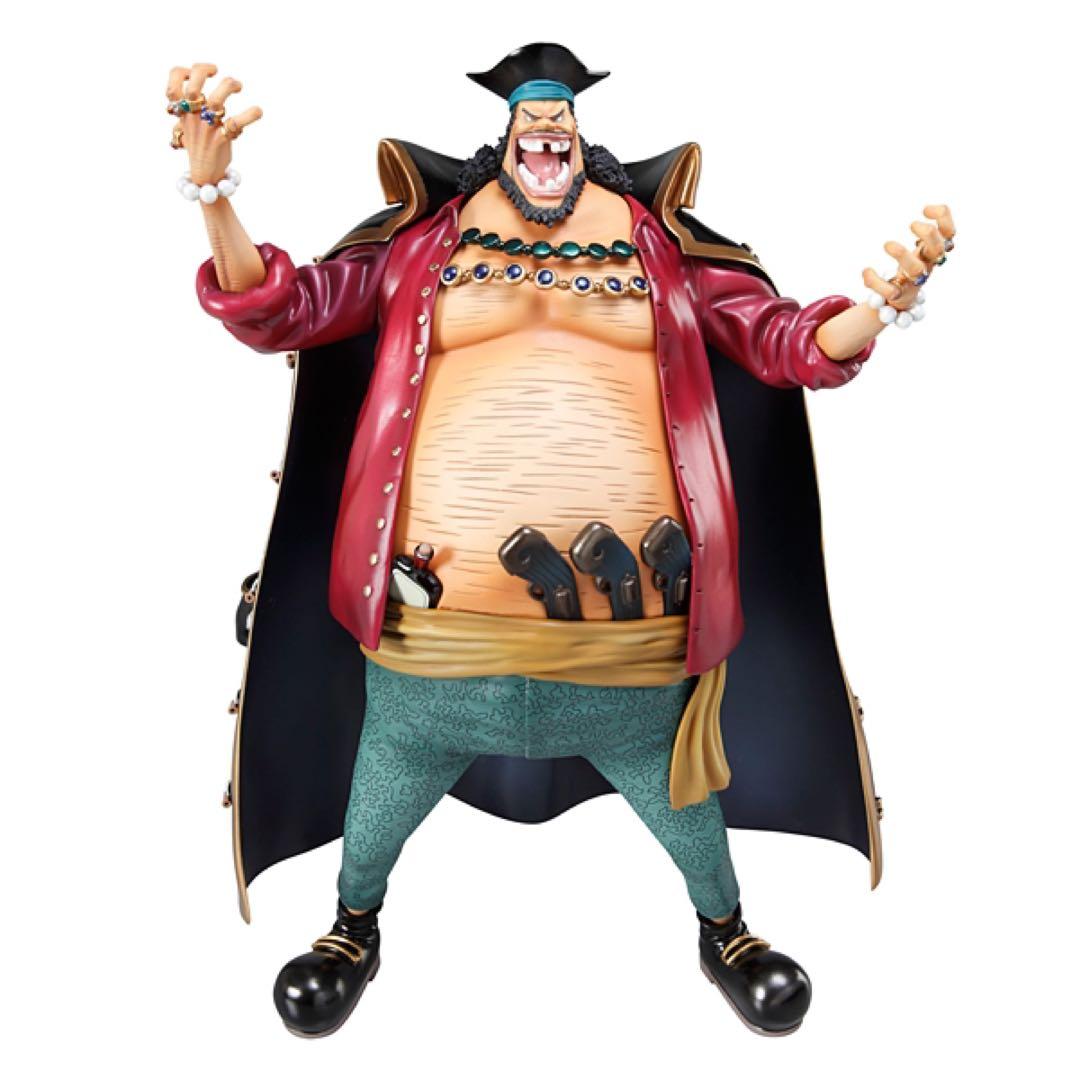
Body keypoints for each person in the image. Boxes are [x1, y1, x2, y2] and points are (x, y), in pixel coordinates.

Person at [171, 43, 955, 1038]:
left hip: (629, 647)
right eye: (530, 113)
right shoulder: (421, 244)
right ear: (506, 140)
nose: (547, 124)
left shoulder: (660, 249)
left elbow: (786, 343)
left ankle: (725, 929)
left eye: (562, 114)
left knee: (680, 802)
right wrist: (215, 198)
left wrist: (877, 309)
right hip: (432, 637)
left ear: (581, 140)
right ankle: (351, 926)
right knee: (386, 781)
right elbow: (281, 310)